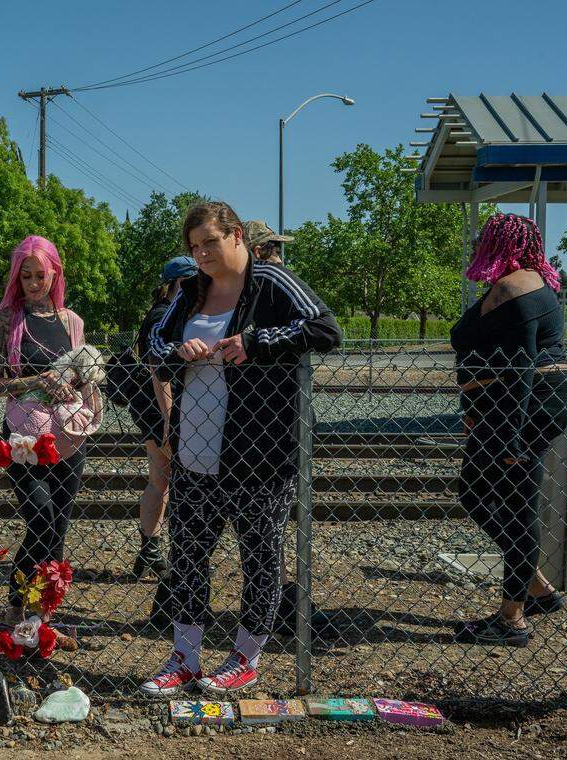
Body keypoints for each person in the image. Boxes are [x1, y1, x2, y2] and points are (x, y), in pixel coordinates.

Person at [140, 201, 341, 697]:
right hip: (194, 451)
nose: (202, 253)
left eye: (210, 242)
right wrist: (176, 352)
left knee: (260, 556)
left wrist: (256, 341)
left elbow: (326, 329)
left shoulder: (272, 281)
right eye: (194, 247)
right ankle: (184, 658)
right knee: (187, 557)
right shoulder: (189, 291)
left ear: (236, 237)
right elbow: (151, 344)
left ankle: (245, 658)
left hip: (260, 453)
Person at [451, 213, 567, 647]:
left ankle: (512, 618)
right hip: (516, 404)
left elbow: (519, 366)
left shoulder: (516, 287)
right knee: (481, 492)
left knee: (514, 502)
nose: (476, 244)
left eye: (483, 238)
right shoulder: (516, 284)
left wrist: (511, 436)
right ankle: (535, 586)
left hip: (526, 405)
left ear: (500, 241)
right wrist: (473, 403)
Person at [0, 235, 92, 627]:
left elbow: (85, 380)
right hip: (24, 437)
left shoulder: (71, 322)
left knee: (59, 527)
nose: (33, 283)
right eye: (26, 276)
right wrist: (38, 382)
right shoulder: (5, 320)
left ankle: (44, 609)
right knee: (41, 519)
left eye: (40, 275)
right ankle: (16, 601)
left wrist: (73, 384)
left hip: (67, 436)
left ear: (54, 274)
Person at [130, 255, 197, 579]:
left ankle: (150, 549)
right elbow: (161, 372)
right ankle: (158, 551)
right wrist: (170, 417)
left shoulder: (160, 313)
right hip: (160, 408)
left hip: (151, 407)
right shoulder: (165, 315)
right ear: (180, 283)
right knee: (174, 479)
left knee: (160, 478)